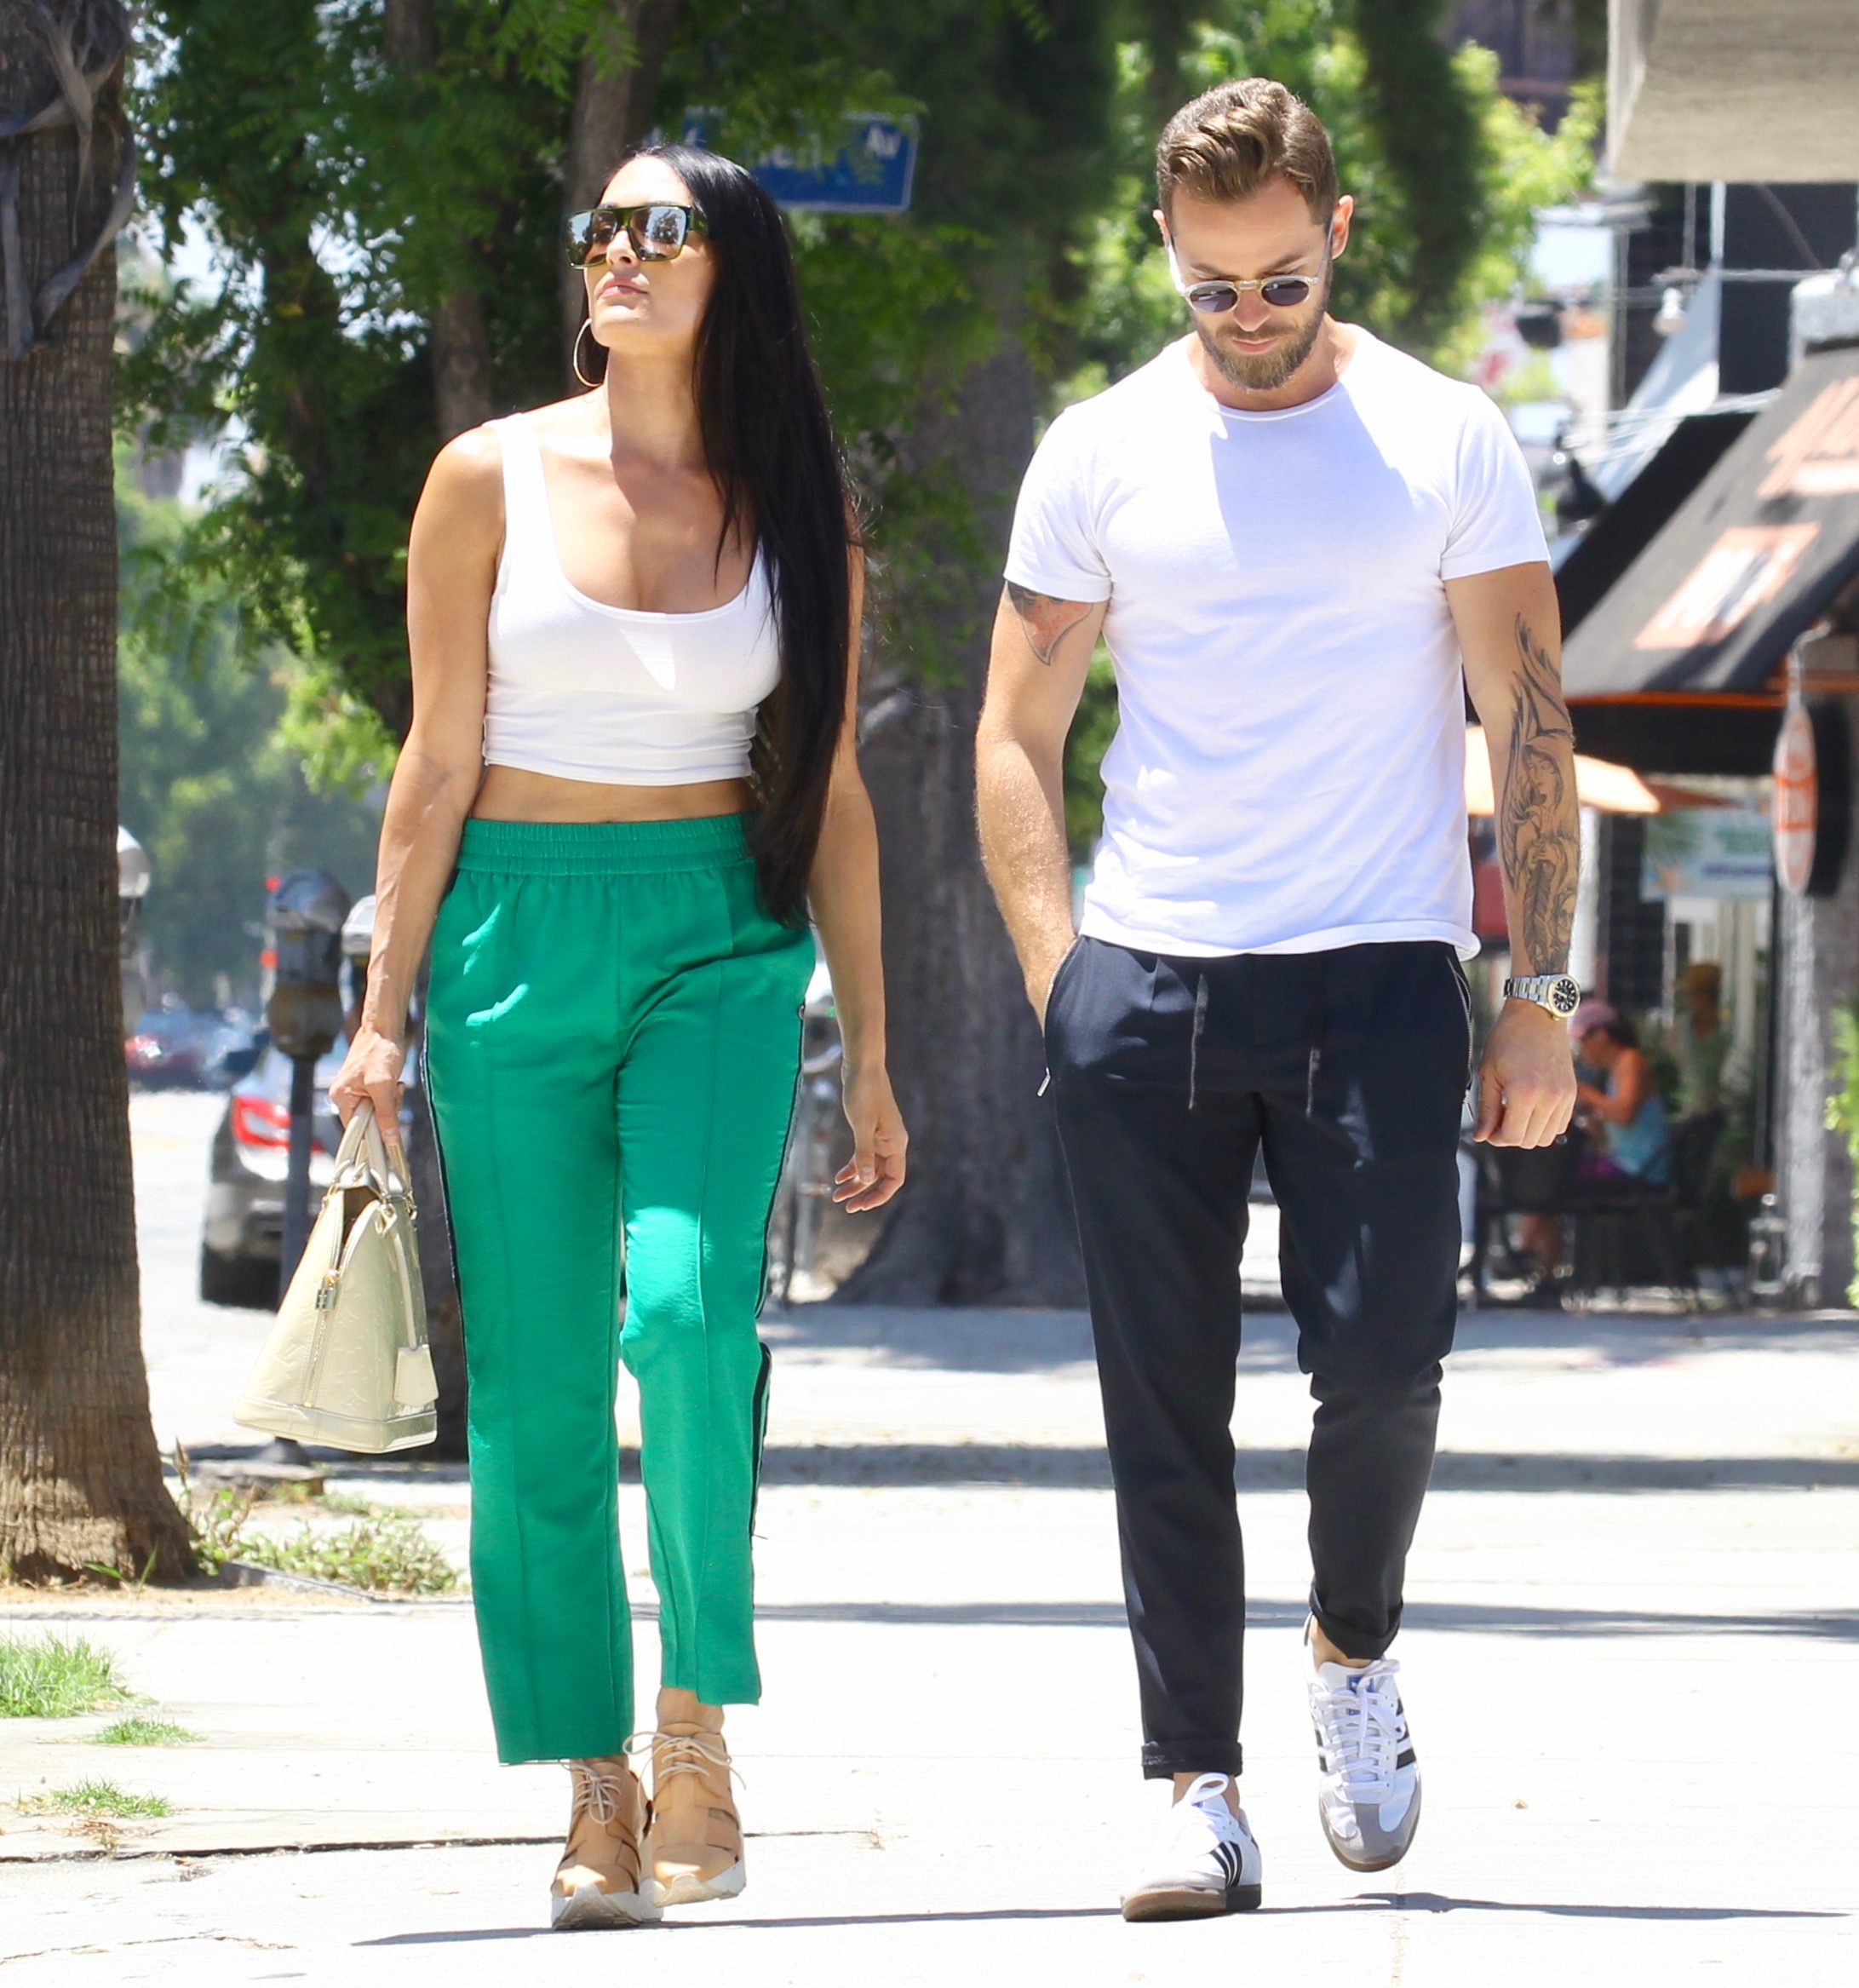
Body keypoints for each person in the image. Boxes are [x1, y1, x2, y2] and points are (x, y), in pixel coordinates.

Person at [975, 78, 1578, 1920]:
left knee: (1387, 1362)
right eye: (1213, 287)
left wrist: (1540, 986)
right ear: (1167, 256)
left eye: (1280, 282)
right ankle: (1193, 1785)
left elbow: (1530, 728)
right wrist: (1059, 979)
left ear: (1338, 243)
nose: (1248, 318)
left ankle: (1353, 1652)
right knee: (1162, 1404)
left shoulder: (1446, 438)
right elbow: (1014, 735)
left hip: (1380, 981)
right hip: (1147, 983)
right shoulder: (1099, 450)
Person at [330, 143, 906, 1932]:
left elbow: (831, 793)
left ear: (732, 265)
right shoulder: (484, 477)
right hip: (510, 935)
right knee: (544, 1391)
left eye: (661, 229)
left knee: (683, 1310)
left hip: (716, 946)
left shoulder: (798, 503)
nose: (618, 254)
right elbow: (434, 759)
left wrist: (872, 1047)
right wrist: (377, 1019)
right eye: (600, 227)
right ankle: (593, 1793)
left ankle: (697, 1733)